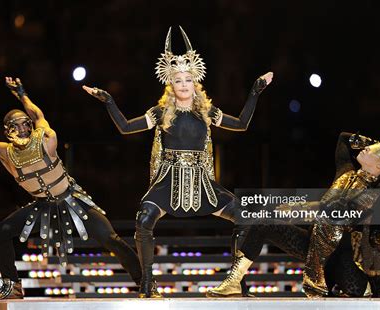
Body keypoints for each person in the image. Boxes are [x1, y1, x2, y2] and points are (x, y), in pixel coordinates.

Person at [83, 26, 273, 298]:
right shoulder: (161, 112)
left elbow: (242, 124)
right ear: (170, 85)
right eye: (178, 81)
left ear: (195, 83)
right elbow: (125, 127)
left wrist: (255, 92)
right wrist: (109, 101)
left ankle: (236, 282)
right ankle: (148, 283)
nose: (183, 85)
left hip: (201, 182)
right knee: (144, 219)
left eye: (187, 80)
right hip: (167, 179)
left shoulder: (208, 112)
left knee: (245, 218)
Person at [0, 78, 142, 299]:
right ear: (7, 130)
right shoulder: (5, 153)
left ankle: (144, 282)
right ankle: (13, 286)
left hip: (72, 200)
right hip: (43, 208)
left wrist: (22, 93)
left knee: (109, 238)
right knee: (2, 231)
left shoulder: (46, 139)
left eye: (24, 124)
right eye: (15, 126)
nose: (21, 130)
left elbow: (38, 116)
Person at [208, 131, 380, 297]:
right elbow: (344, 138)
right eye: (371, 146)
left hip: (342, 261)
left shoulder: (378, 197)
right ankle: (234, 282)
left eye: (376, 150)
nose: (368, 148)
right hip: (311, 247)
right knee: (261, 222)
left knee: (359, 292)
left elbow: (344, 219)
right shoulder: (346, 172)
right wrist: (376, 145)